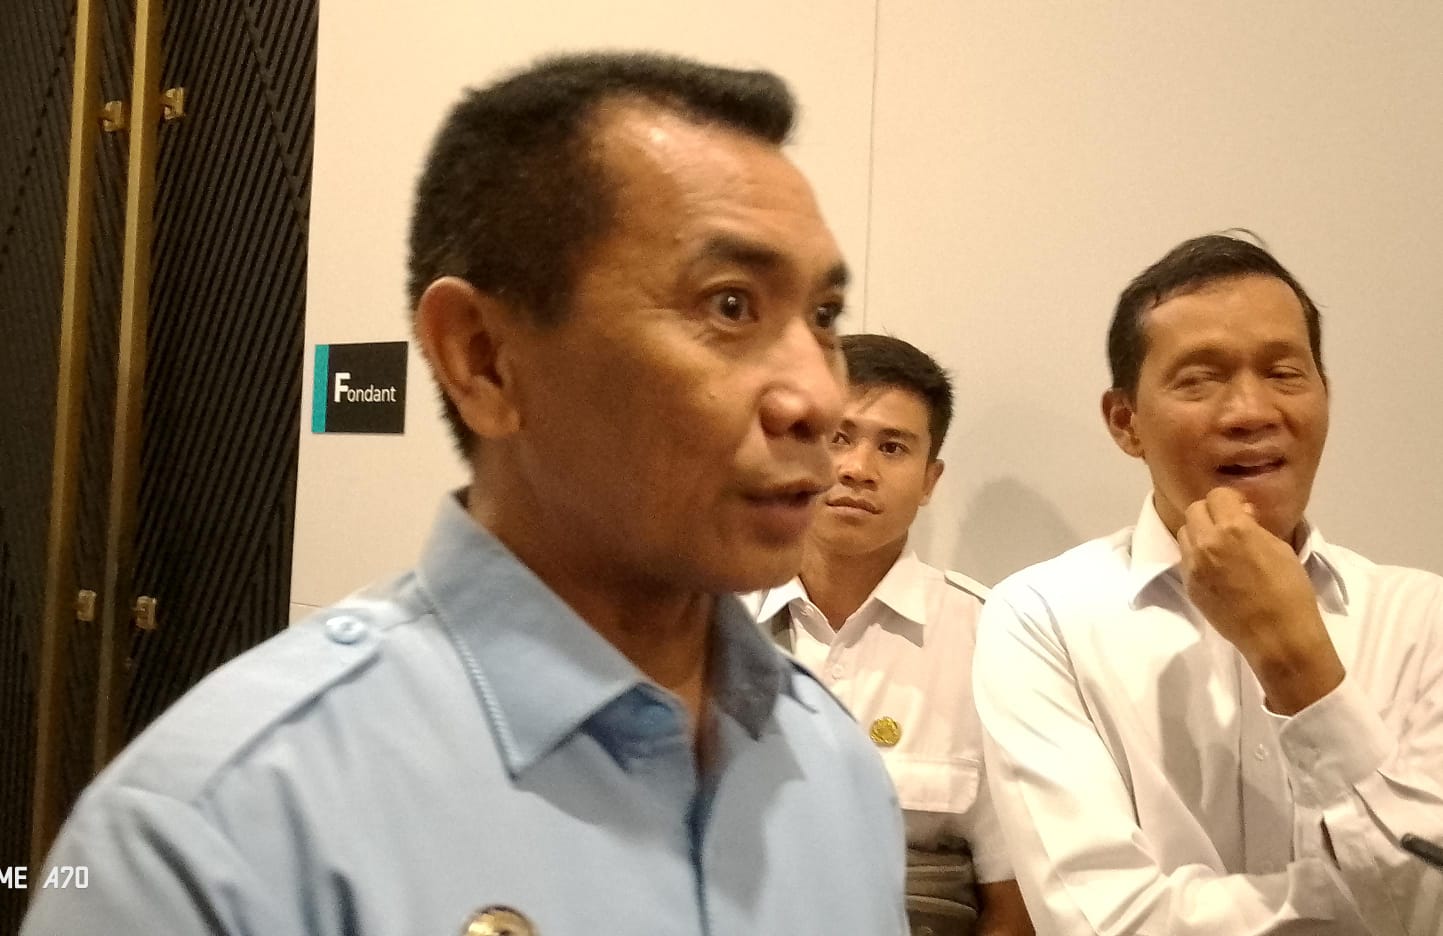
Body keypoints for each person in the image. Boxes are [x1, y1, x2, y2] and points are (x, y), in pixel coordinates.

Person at [23, 52, 908, 935]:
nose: (819, 398)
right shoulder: (217, 829)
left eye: (822, 317)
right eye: (728, 305)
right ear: (482, 358)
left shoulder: (832, 768)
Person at [974, 232, 1443, 934]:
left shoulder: (1423, 616)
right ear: (1125, 422)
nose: (1251, 411)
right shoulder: (1041, 616)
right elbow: (1104, 923)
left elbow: (1433, 901)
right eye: (1200, 379)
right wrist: (1362, 896)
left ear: (1325, 396)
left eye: (1284, 372)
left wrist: (1299, 666)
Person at [744, 334, 1033, 936]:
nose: (857, 469)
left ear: (930, 480)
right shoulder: (706, 614)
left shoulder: (993, 640)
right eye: (838, 437)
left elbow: (1014, 904)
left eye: (893, 447)